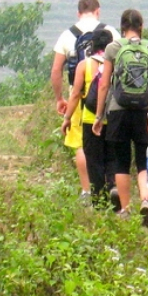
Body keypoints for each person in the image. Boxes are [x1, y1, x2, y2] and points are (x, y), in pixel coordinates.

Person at [93, 9, 148, 225]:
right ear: (141, 26)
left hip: (118, 109)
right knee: (143, 160)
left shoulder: (114, 48)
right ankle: (145, 200)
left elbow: (104, 84)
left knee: (121, 162)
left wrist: (98, 115)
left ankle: (125, 209)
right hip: (143, 110)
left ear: (122, 27)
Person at [60, 27, 115, 202]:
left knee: (94, 162)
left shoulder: (84, 65)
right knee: (112, 159)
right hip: (113, 119)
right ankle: (114, 189)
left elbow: (75, 94)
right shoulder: (115, 63)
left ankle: (98, 201)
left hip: (90, 119)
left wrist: (67, 118)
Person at [50, 0, 119, 116]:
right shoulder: (111, 32)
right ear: (98, 11)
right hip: (107, 96)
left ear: (78, 14)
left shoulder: (66, 35)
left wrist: (59, 99)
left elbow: (56, 70)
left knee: (78, 133)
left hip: (77, 97)